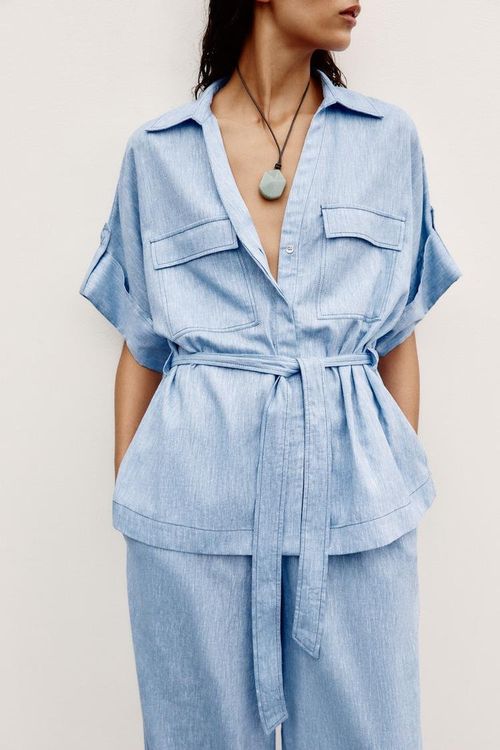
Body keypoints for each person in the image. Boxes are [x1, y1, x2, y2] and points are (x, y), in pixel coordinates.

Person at [79, 1, 463, 748]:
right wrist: (138, 496)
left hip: (353, 507)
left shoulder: (387, 139)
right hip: (192, 506)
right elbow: (142, 343)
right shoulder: (159, 153)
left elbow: (398, 335)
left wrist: (388, 470)